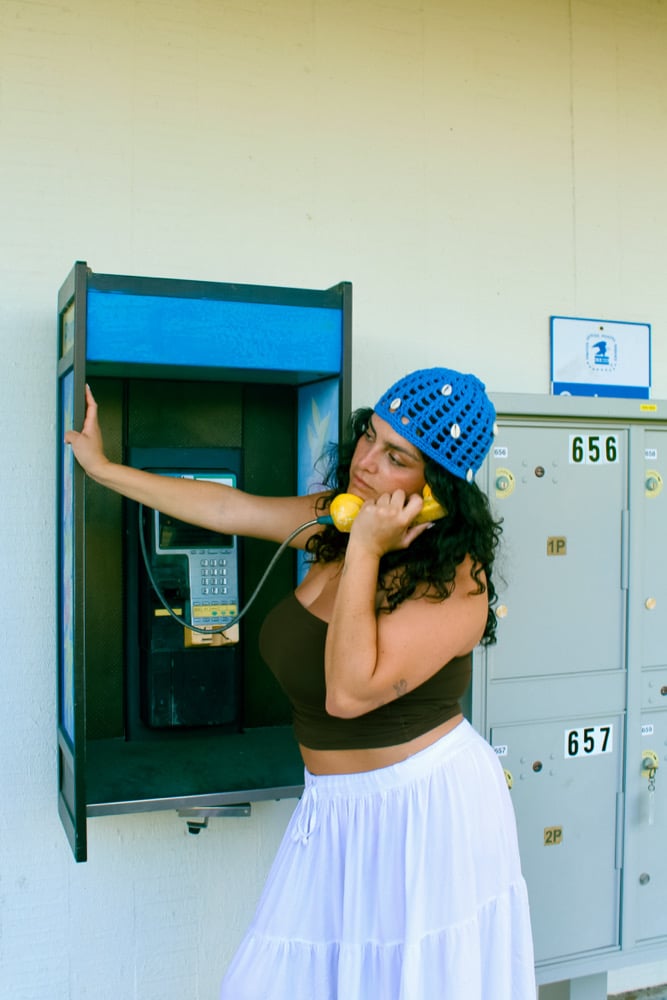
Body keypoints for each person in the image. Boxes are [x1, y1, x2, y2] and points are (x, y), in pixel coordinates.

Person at [66, 367, 536, 1000]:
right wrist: (104, 470)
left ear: (438, 490)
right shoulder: (338, 524)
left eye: (396, 458)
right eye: (370, 436)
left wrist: (366, 549)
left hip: (423, 812)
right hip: (334, 809)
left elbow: (348, 694)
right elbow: (231, 508)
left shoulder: (456, 582)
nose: (365, 462)